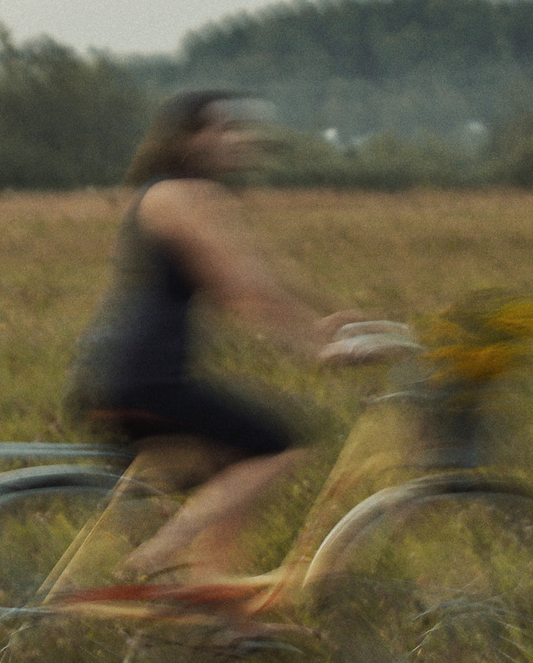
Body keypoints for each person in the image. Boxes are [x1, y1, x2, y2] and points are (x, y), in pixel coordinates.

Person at [65, 90, 369, 612]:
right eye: (226, 128)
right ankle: (160, 556)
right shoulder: (181, 196)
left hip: (121, 374)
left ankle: (221, 607)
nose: (243, 138)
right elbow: (244, 291)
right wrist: (318, 348)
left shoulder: (174, 195)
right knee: (281, 444)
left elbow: (266, 281)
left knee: (236, 464)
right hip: (144, 379)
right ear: (189, 138)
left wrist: (328, 325)